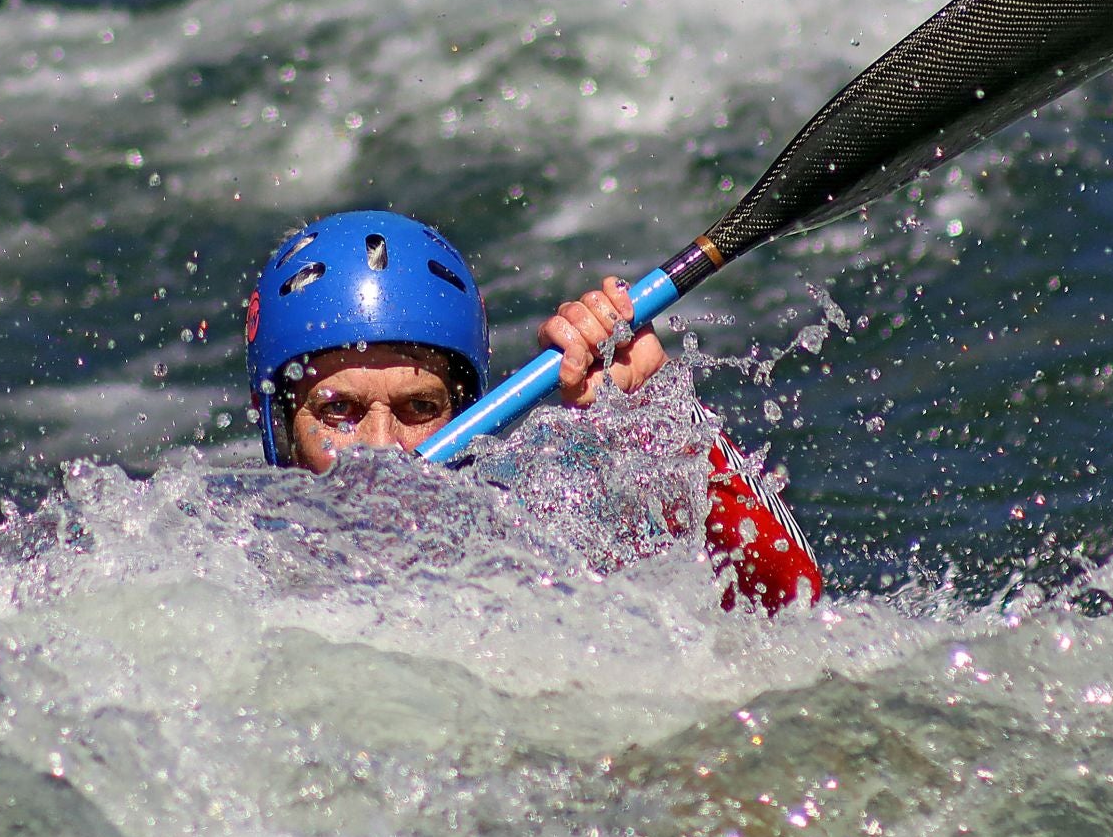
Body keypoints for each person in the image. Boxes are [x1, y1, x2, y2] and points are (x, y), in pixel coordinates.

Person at [244, 210, 821, 614]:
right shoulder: (220, 568)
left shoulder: (540, 557)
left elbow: (789, 602)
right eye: (339, 410)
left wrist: (655, 415)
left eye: (419, 407)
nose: (382, 449)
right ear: (280, 429)